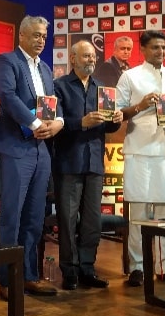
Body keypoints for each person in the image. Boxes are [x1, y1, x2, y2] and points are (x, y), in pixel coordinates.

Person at [0, 15, 63, 300]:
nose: (40, 40)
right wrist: (35, 124)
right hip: (14, 147)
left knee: (34, 217)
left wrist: (57, 123)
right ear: (21, 35)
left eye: (44, 36)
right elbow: (8, 96)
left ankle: (29, 276)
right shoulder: (8, 61)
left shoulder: (45, 68)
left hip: (41, 149)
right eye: (35, 35)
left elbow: (51, 103)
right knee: (12, 217)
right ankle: (7, 281)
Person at [116, 30, 165, 287]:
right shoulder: (130, 76)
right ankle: (137, 267)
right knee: (138, 213)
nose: (160, 52)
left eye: (164, 48)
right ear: (143, 50)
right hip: (140, 150)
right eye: (155, 48)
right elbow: (116, 112)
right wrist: (140, 105)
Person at [52, 40, 123, 290]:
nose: (91, 60)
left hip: (94, 162)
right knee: (68, 219)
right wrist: (81, 122)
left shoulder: (102, 88)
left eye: (93, 56)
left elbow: (109, 127)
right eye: (86, 56)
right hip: (68, 162)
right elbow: (55, 123)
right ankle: (69, 270)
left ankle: (87, 268)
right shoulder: (58, 86)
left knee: (92, 219)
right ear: (73, 59)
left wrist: (116, 119)